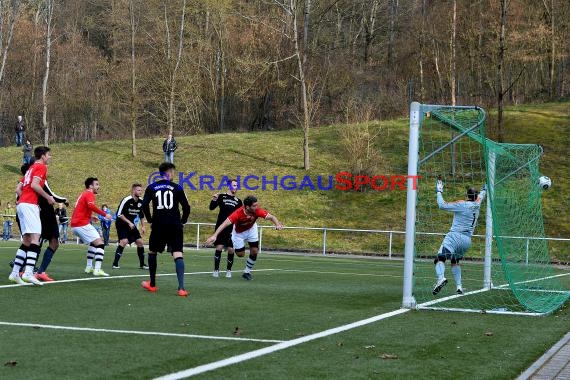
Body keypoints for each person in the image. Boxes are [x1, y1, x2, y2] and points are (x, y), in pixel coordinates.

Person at [206, 195, 283, 281]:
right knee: (240, 255)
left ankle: (247, 272)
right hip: (238, 233)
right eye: (254, 206)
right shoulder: (237, 213)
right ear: (247, 207)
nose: (256, 207)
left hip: (251, 229)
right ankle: (233, 243)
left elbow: (272, 217)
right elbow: (224, 224)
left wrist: (277, 224)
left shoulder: (257, 211)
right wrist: (214, 235)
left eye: (257, 205)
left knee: (254, 251)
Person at [141, 162, 190, 296]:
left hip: (159, 224)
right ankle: (181, 288)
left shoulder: (152, 187)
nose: (173, 174)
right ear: (168, 172)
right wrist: (183, 221)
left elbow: (144, 205)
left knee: (152, 251)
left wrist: (150, 219)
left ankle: (152, 285)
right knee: (177, 253)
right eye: (173, 172)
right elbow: (186, 207)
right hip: (175, 224)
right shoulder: (177, 188)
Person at [8, 146, 55, 286]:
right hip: (29, 205)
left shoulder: (30, 168)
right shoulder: (41, 167)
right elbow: (35, 185)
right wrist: (48, 197)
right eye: (49, 155)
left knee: (27, 239)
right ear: (43, 156)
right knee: (36, 237)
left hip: (22, 204)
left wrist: (25, 199)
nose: (50, 157)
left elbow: (18, 188)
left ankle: (15, 273)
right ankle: (28, 273)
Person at [432, 178, 486, 295]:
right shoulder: (477, 203)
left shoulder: (462, 204)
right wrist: (485, 188)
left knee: (439, 258)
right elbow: (482, 195)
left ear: (467, 195)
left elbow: (442, 205)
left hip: (455, 236)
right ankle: (459, 287)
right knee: (455, 261)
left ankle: (441, 278)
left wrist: (439, 191)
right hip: (467, 240)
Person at [70, 177, 113, 277]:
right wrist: (104, 214)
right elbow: (91, 206)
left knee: (94, 243)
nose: (99, 186)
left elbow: (80, 209)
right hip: (81, 224)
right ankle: (97, 269)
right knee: (100, 243)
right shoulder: (89, 193)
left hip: (76, 224)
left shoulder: (83, 194)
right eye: (97, 184)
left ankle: (89, 267)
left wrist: (90, 216)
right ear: (90, 186)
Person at [208, 179, 242, 278]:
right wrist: (214, 199)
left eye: (236, 185)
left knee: (231, 249)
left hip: (232, 228)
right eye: (234, 185)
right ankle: (216, 270)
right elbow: (211, 207)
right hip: (221, 226)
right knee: (219, 247)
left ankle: (228, 270)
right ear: (229, 186)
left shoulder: (238, 201)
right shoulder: (221, 196)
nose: (236, 187)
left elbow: (240, 215)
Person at [112, 183, 148, 270]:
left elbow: (142, 215)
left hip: (131, 224)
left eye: (141, 190)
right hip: (121, 223)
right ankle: (115, 263)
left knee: (140, 242)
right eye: (139, 190)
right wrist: (129, 222)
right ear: (133, 190)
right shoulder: (126, 200)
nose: (140, 192)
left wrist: (143, 226)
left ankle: (142, 264)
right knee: (124, 241)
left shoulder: (141, 201)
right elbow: (119, 214)